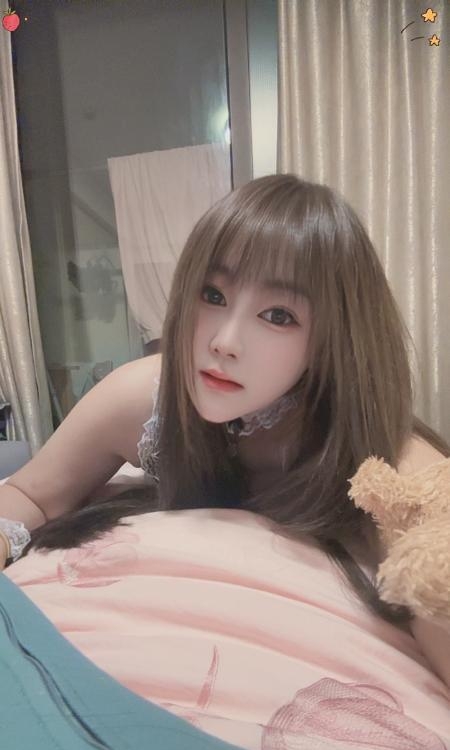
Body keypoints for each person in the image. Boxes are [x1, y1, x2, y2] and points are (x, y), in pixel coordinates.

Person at [1, 175, 449, 749]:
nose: (224, 341)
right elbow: (32, 494)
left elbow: (433, 566)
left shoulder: (383, 456)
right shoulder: (145, 397)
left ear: (332, 338)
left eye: (279, 316)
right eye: (212, 296)